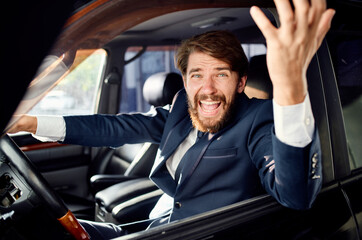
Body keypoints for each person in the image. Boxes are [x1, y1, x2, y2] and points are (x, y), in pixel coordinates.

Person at [9, 0, 335, 239]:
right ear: (185, 80)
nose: (207, 89)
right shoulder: (182, 104)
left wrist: (290, 87)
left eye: (221, 74)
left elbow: (295, 194)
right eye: (197, 75)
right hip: (158, 226)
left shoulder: (258, 119)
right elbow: (117, 128)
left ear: (240, 82)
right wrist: (31, 123)